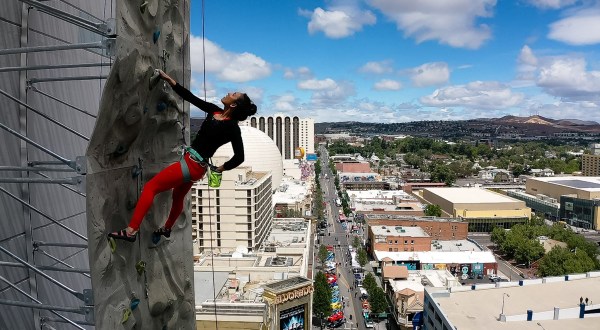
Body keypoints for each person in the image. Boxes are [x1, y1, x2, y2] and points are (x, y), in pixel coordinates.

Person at [108, 70, 257, 242]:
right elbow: (191, 98)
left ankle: (131, 231)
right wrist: (170, 81)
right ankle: (167, 228)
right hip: (195, 167)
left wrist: (220, 168)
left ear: (233, 105)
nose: (229, 93)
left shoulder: (232, 128)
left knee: (151, 187)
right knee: (177, 197)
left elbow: (240, 157)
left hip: (192, 165)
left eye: (234, 94)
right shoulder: (215, 111)